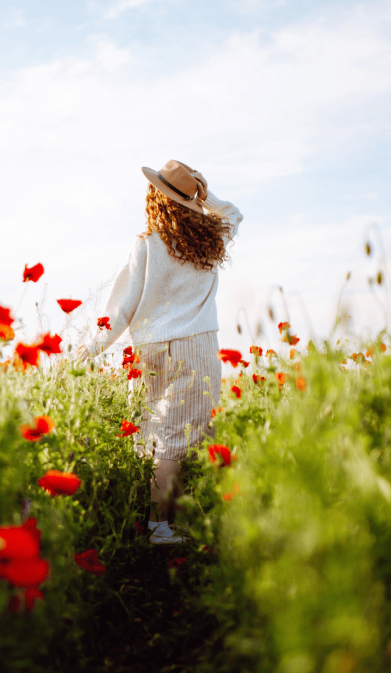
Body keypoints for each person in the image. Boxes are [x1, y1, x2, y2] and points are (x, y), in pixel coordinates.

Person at [81, 160, 242, 545]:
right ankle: (162, 527)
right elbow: (234, 213)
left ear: (156, 198)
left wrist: (87, 352)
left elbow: (122, 307)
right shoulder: (212, 235)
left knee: (161, 432)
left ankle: (167, 524)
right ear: (189, 200)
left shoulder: (147, 243)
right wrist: (207, 196)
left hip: (152, 346)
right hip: (196, 342)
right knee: (188, 436)